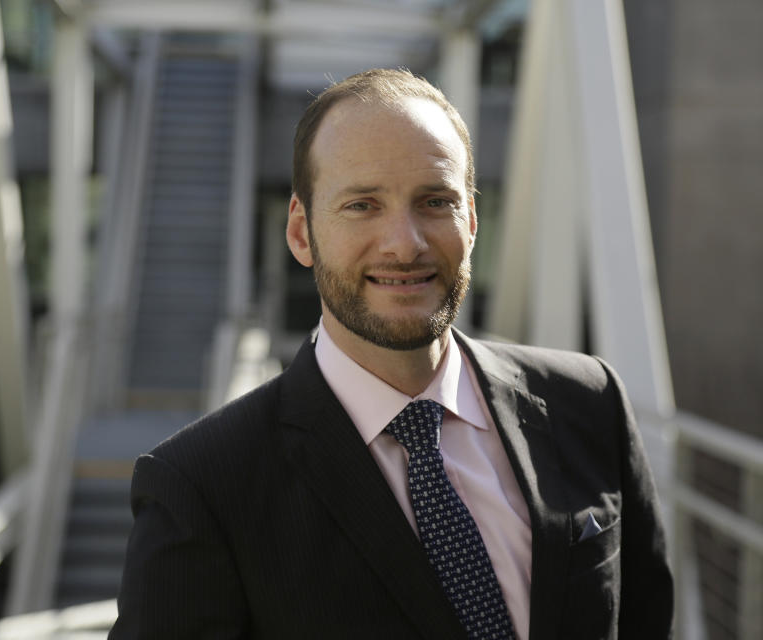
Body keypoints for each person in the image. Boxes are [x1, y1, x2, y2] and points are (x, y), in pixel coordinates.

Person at [109, 68, 673, 639]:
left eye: (435, 201)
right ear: (302, 233)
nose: (405, 244)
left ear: (472, 222)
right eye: (362, 205)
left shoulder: (588, 402)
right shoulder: (203, 486)